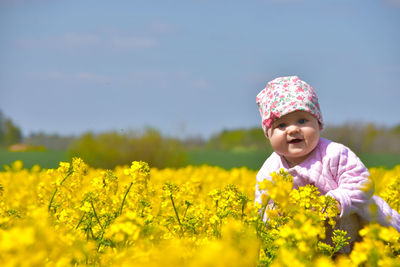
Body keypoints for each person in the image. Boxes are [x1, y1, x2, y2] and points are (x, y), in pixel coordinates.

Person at [254, 75, 400, 252]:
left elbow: (362, 184)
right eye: (282, 125)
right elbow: (263, 209)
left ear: (318, 123)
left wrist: (335, 203)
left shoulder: (334, 153)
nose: (293, 129)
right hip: (305, 244)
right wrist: (278, 218)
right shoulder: (268, 171)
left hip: (353, 235)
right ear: (268, 134)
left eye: (302, 120)